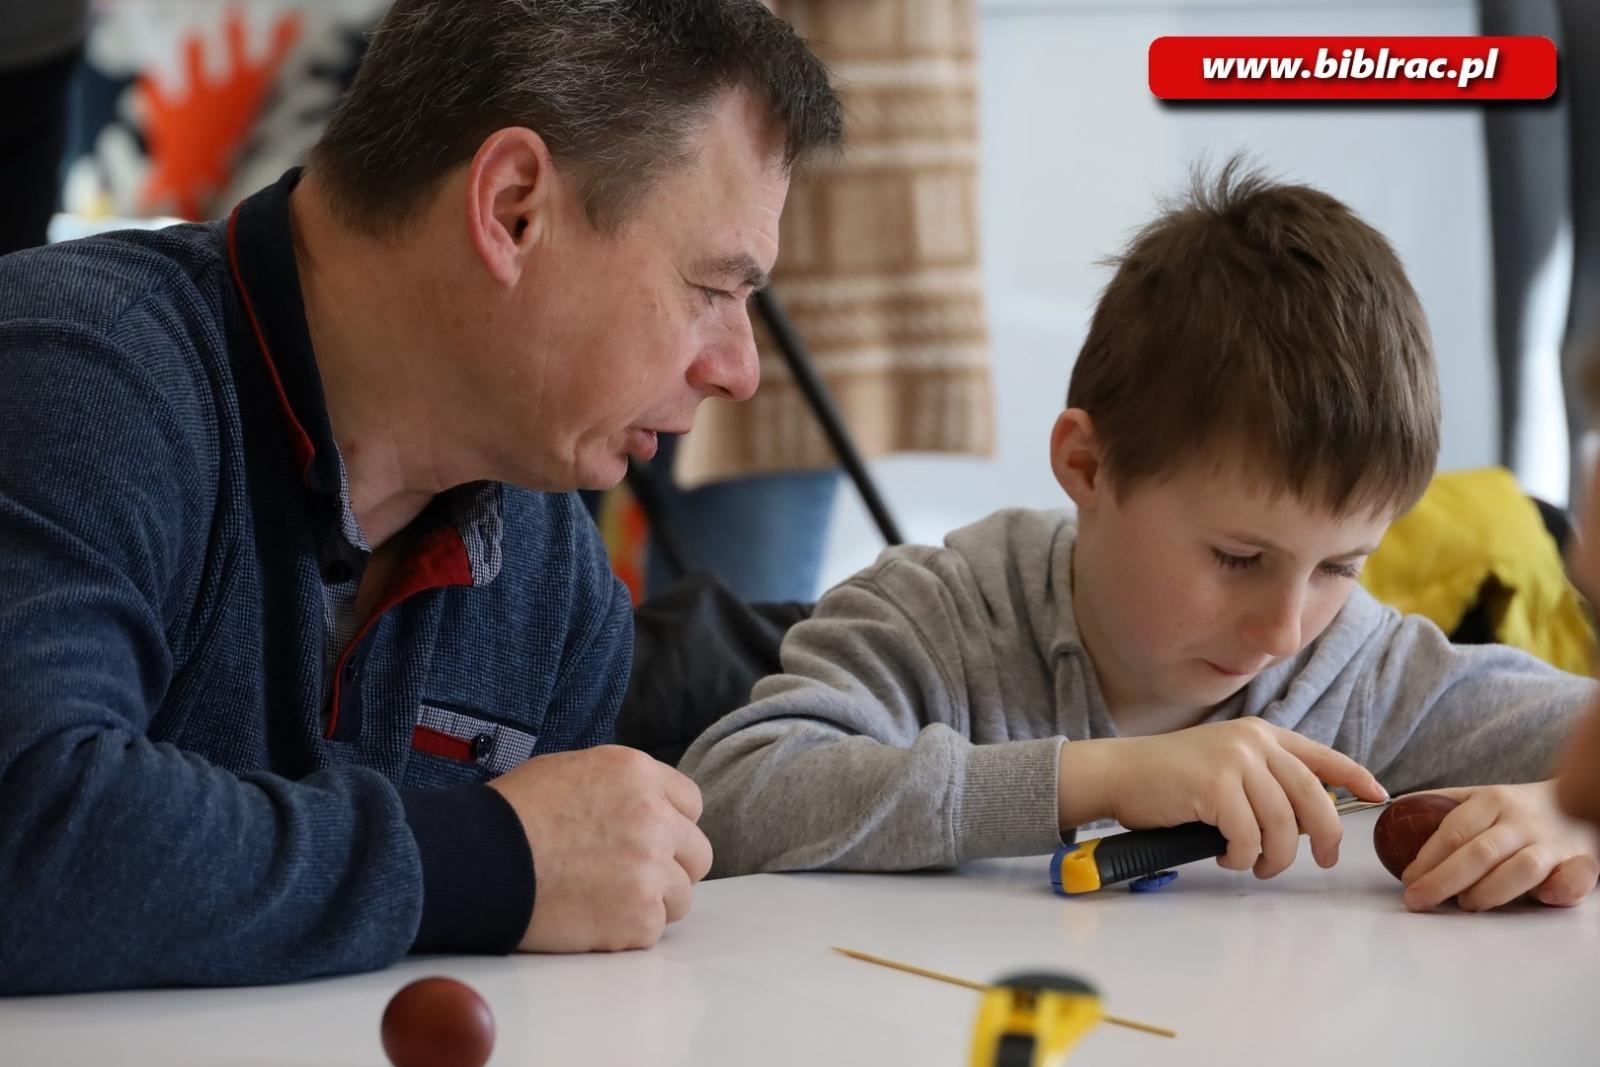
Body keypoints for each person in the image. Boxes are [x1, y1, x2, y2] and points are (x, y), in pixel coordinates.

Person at [0, 0, 841, 995]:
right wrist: (488, 856)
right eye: (714, 287)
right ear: (512, 207)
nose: (741, 369)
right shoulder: (75, 375)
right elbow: (30, 834)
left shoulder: (546, 568)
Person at [680, 162, 1600, 913]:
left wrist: (1569, 811)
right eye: (1238, 558)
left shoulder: (1364, 673)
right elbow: (731, 796)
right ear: (1086, 466)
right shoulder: (936, 619)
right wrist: (1099, 777)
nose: (1284, 629)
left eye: (1339, 567)